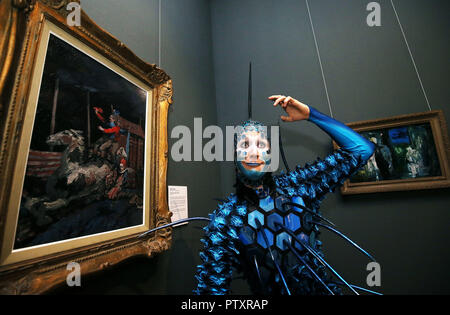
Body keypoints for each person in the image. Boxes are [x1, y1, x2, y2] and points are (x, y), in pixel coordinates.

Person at [194, 95, 375, 295]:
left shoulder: (299, 187)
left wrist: (311, 115)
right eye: (245, 145)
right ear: (234, 157)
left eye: (261, 145)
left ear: (270, 154)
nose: (253, 153)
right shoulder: (225, 222)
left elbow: (362, 150)